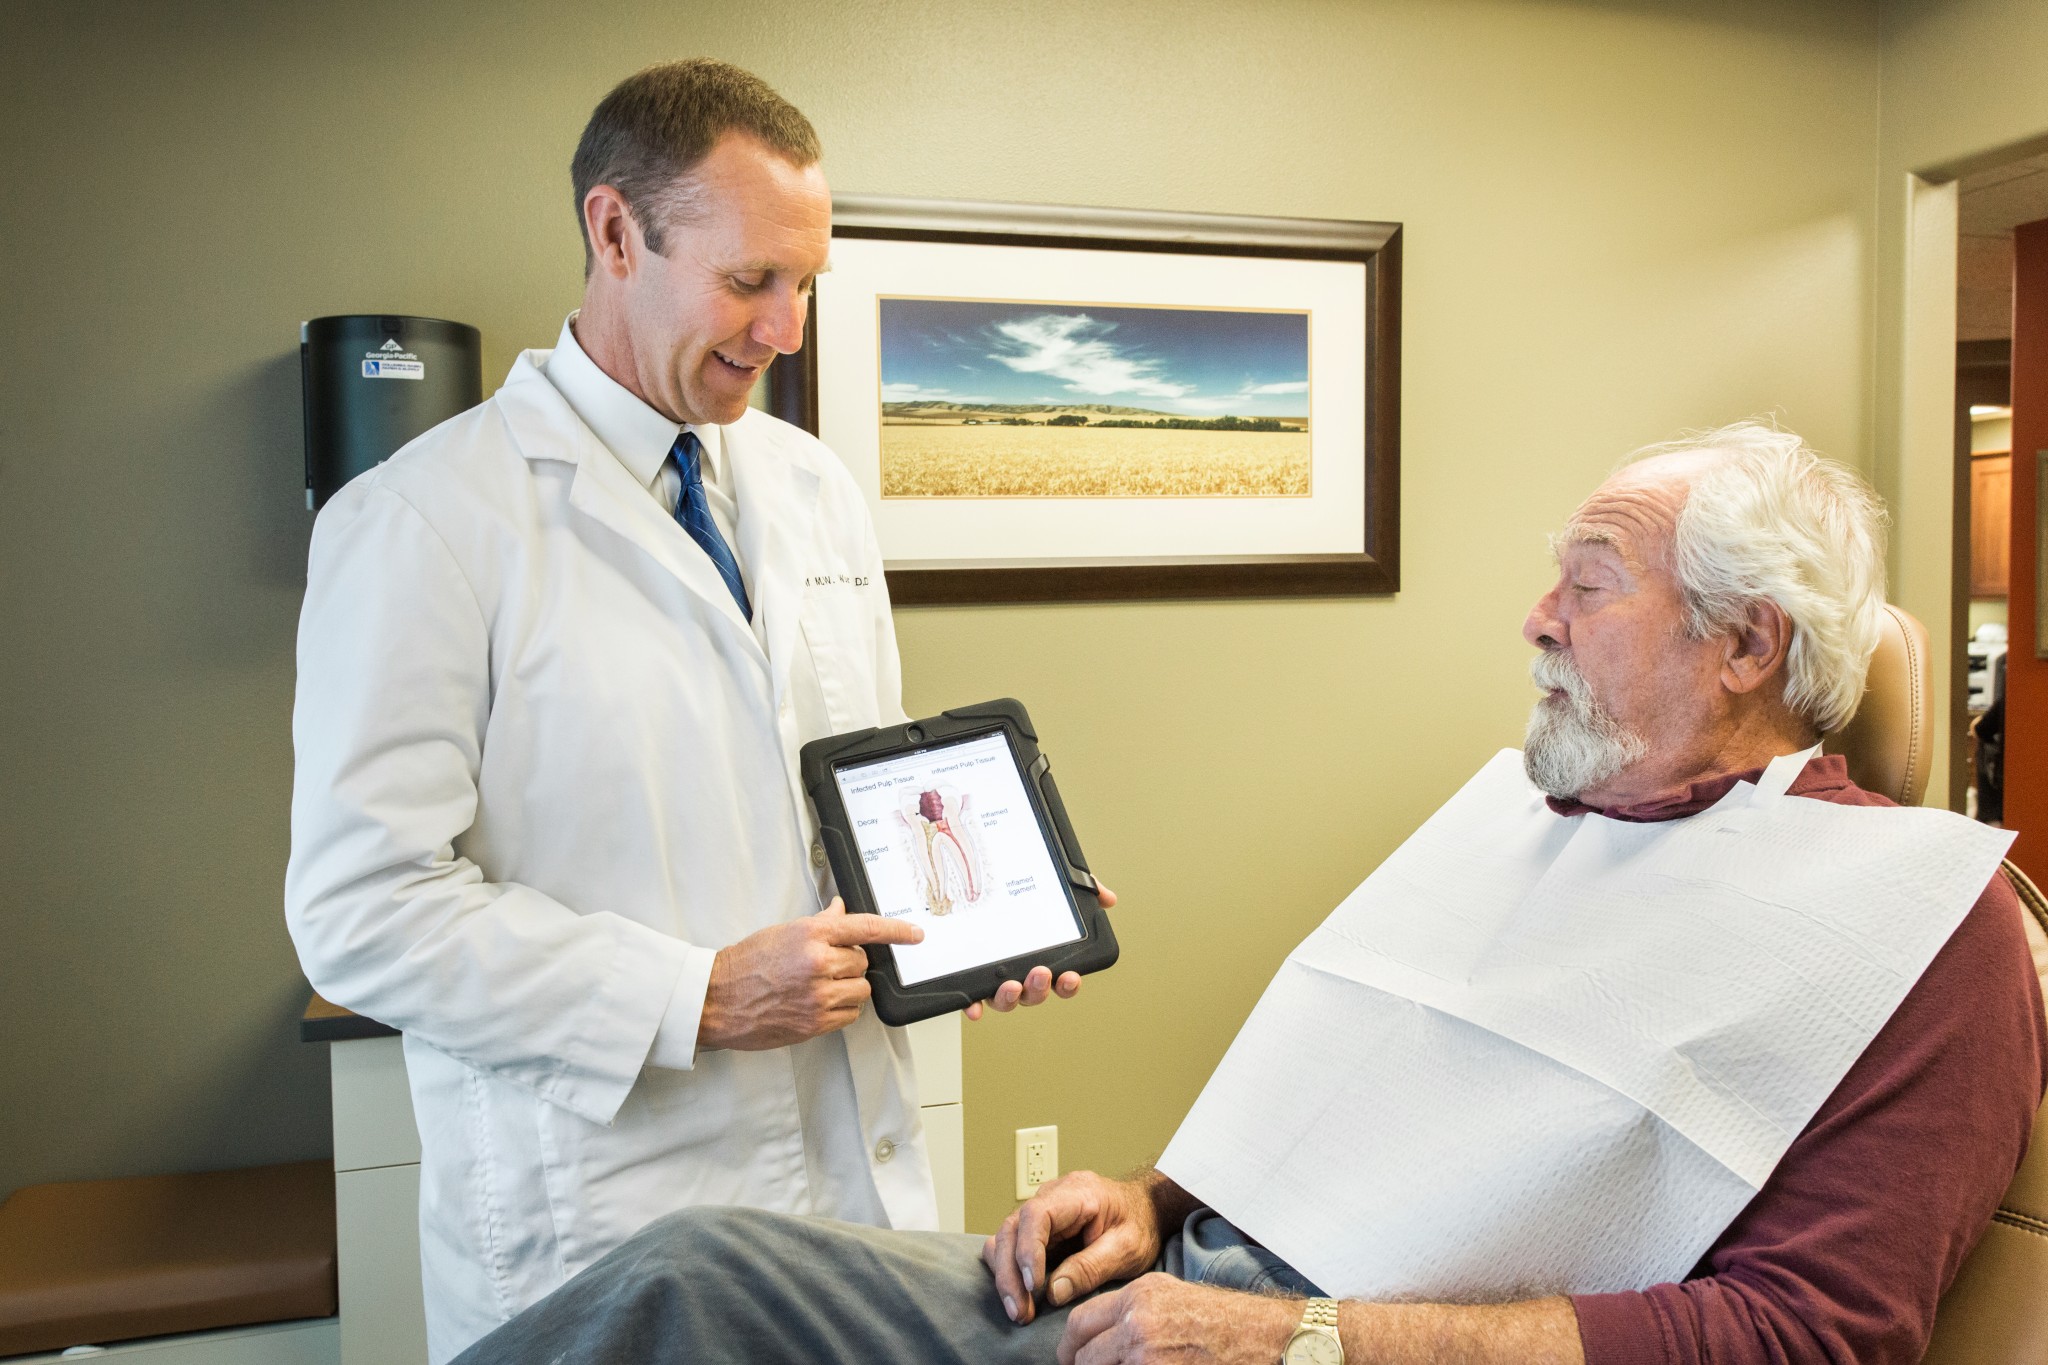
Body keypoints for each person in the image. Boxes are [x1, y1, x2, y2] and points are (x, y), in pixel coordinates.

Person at [445, 423, 2045, 1365]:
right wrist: (1164, 1198)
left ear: (1747, 643)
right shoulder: (1541, 824)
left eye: (1591, 582)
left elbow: (1810, 1337)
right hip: (1178, 1303)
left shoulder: (1924, 929)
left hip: (1296, 1355)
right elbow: (1384, 1116)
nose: (1536, 616)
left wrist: (1309, 1340)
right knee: (696, 1277)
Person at [284, 59, 1100, 1363]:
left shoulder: (812, 486)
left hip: (857, 1203)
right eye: (748, 283)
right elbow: (356, 912)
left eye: (806, 285)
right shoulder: (425, 521)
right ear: (616, 233)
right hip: (609, 1223)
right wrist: (697, 996)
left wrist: (971, 922)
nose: (786, 329)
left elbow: (823, 797)